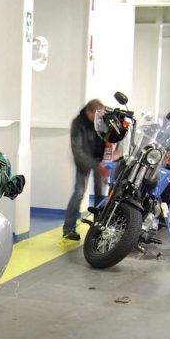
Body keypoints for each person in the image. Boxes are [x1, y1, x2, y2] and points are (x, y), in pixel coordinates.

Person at [63, 99, 106, 241]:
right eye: (98, 114)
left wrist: (105, 160)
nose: (100, 117)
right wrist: (94, 165)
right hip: (84, 162)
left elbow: (105, 140)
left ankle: (98, 228)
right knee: (79, 193)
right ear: (91, 111)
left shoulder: (99, 122)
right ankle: (68, 229)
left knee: (100, 197)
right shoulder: (78, 123)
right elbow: (77, 150)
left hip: (99, 161)